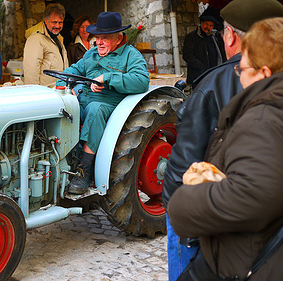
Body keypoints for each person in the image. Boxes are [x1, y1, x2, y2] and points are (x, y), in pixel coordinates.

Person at [162, 0, 283, 279]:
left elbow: (183, 166)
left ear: (229, 36)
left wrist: (182, 213)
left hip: (215, 232)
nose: (239, 74)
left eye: (243, 69)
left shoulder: (217, 87)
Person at [56, 11, 150, 195]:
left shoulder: (131, 56)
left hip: (110, 105)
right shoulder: (91, 54)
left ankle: (85, 170)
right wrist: (66, 85)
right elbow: (71, 71)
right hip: (84, 99)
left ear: (119, 38)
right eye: (97, 37)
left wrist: (107, 78)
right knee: (61, 107)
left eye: (104, 38)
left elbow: (141, 81)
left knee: (95, 110)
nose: (98, 42)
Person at [23, 3, 69, 87]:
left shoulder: (59, 38)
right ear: (46, 20)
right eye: (54, 22)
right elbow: (31, 70)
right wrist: (34, 93)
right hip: (45, 92)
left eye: (60, 22)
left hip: (59, 90)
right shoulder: (36, 39)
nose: (57, 26)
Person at [183, 6, 226, 87]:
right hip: (198, 76)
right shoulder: (192, 37)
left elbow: (220, 53)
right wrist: (201, 66)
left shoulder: (214, 37)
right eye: (206, 24)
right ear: (201, 23)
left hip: (213, 75)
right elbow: (187, 55)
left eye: (211, 25)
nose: (208, 27)